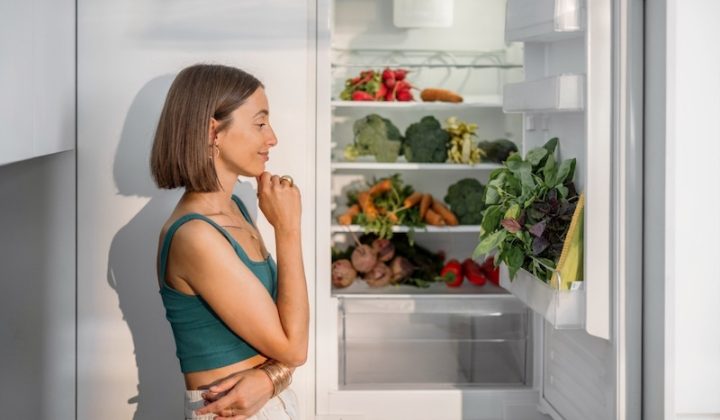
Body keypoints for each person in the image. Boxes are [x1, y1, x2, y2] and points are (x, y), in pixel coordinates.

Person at [150, 63, 309, 419]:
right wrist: (289, 230)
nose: (272, 138)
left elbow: (288, 332)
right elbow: (294, 347)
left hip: (270, 404)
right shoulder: (195, 236)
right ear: (213, 131)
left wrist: (272, 379)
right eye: (260, 123)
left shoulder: (236, 208)